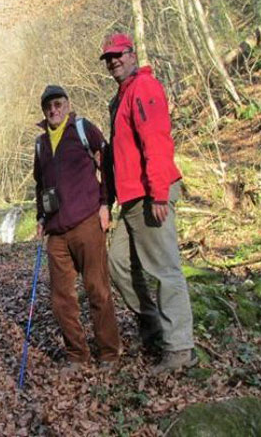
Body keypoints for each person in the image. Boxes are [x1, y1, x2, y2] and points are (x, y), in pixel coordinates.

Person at [99, 33, 197, 375]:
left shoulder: (144, 87)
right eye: (108, 58)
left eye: (118, 55)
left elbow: (156, 140)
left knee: (164, 269)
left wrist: (158, 193)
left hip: (149, 194)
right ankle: (154, 326)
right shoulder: (121, 96)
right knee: (118, 263)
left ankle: (180, 347)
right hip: (130, 199)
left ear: (132, 54)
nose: (113, 61)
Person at [33, 84, 123, 371]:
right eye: (48, 106)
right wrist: (40, 216)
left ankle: (108, 353)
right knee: (61, 299)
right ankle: (77, 355)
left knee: (97, 289)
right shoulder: (40, 144)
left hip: (87, 222)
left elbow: (105, 163)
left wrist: (105, 203)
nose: (53, 110)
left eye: (58, 104)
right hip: (56, 232)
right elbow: (40, 184)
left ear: (67, 105)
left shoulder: (83, 129)